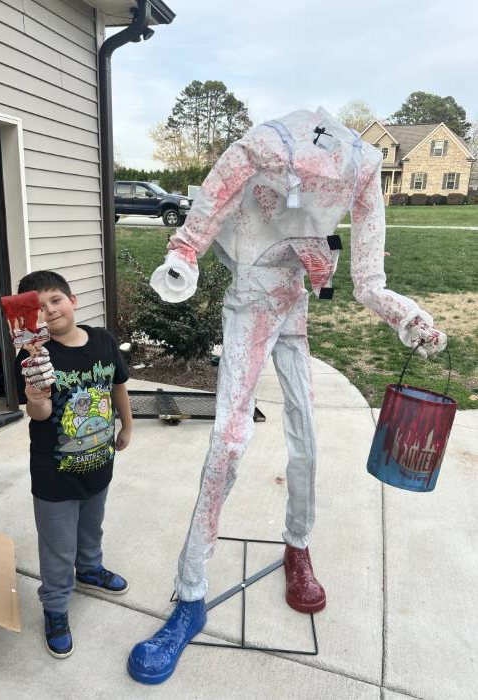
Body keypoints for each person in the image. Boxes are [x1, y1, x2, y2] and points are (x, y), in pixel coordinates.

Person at [127, 107, 447, 684]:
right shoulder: (258, 151)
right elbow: (194, 232)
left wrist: (409, 316)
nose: (320, 202)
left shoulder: (361, 168)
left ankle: (298, 545)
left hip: (293, 309)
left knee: (306, 440)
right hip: (250, 304)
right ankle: (191, 591)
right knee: (228, 441)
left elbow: (368, 283)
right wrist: (181, 259)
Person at [14, 270, 132, 659]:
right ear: (28, 317)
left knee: (91, 526)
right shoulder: (32, 356)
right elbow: (41, 413)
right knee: (57, 546)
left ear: (72, 300)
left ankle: (90, 569)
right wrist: (36, 397)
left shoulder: (103, 340)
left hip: (99, 461)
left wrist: (127, 425)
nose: (49, 311)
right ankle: (55, 606)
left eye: (55, 300)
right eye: (38, 307)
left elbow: (118, 383)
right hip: (54, 475)